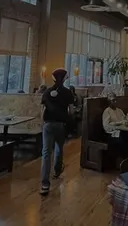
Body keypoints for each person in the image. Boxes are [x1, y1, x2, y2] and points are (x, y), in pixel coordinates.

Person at [39, 68, 75, 196]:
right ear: (64, 79)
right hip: (61, 124)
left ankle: (44, 184)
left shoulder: (47, 92)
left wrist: (43, 124)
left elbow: (42, 110)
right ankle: (56, 171)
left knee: (46, 153)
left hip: (48, 124)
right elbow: (71, 111)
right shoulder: (68, 93)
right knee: (59, 148)